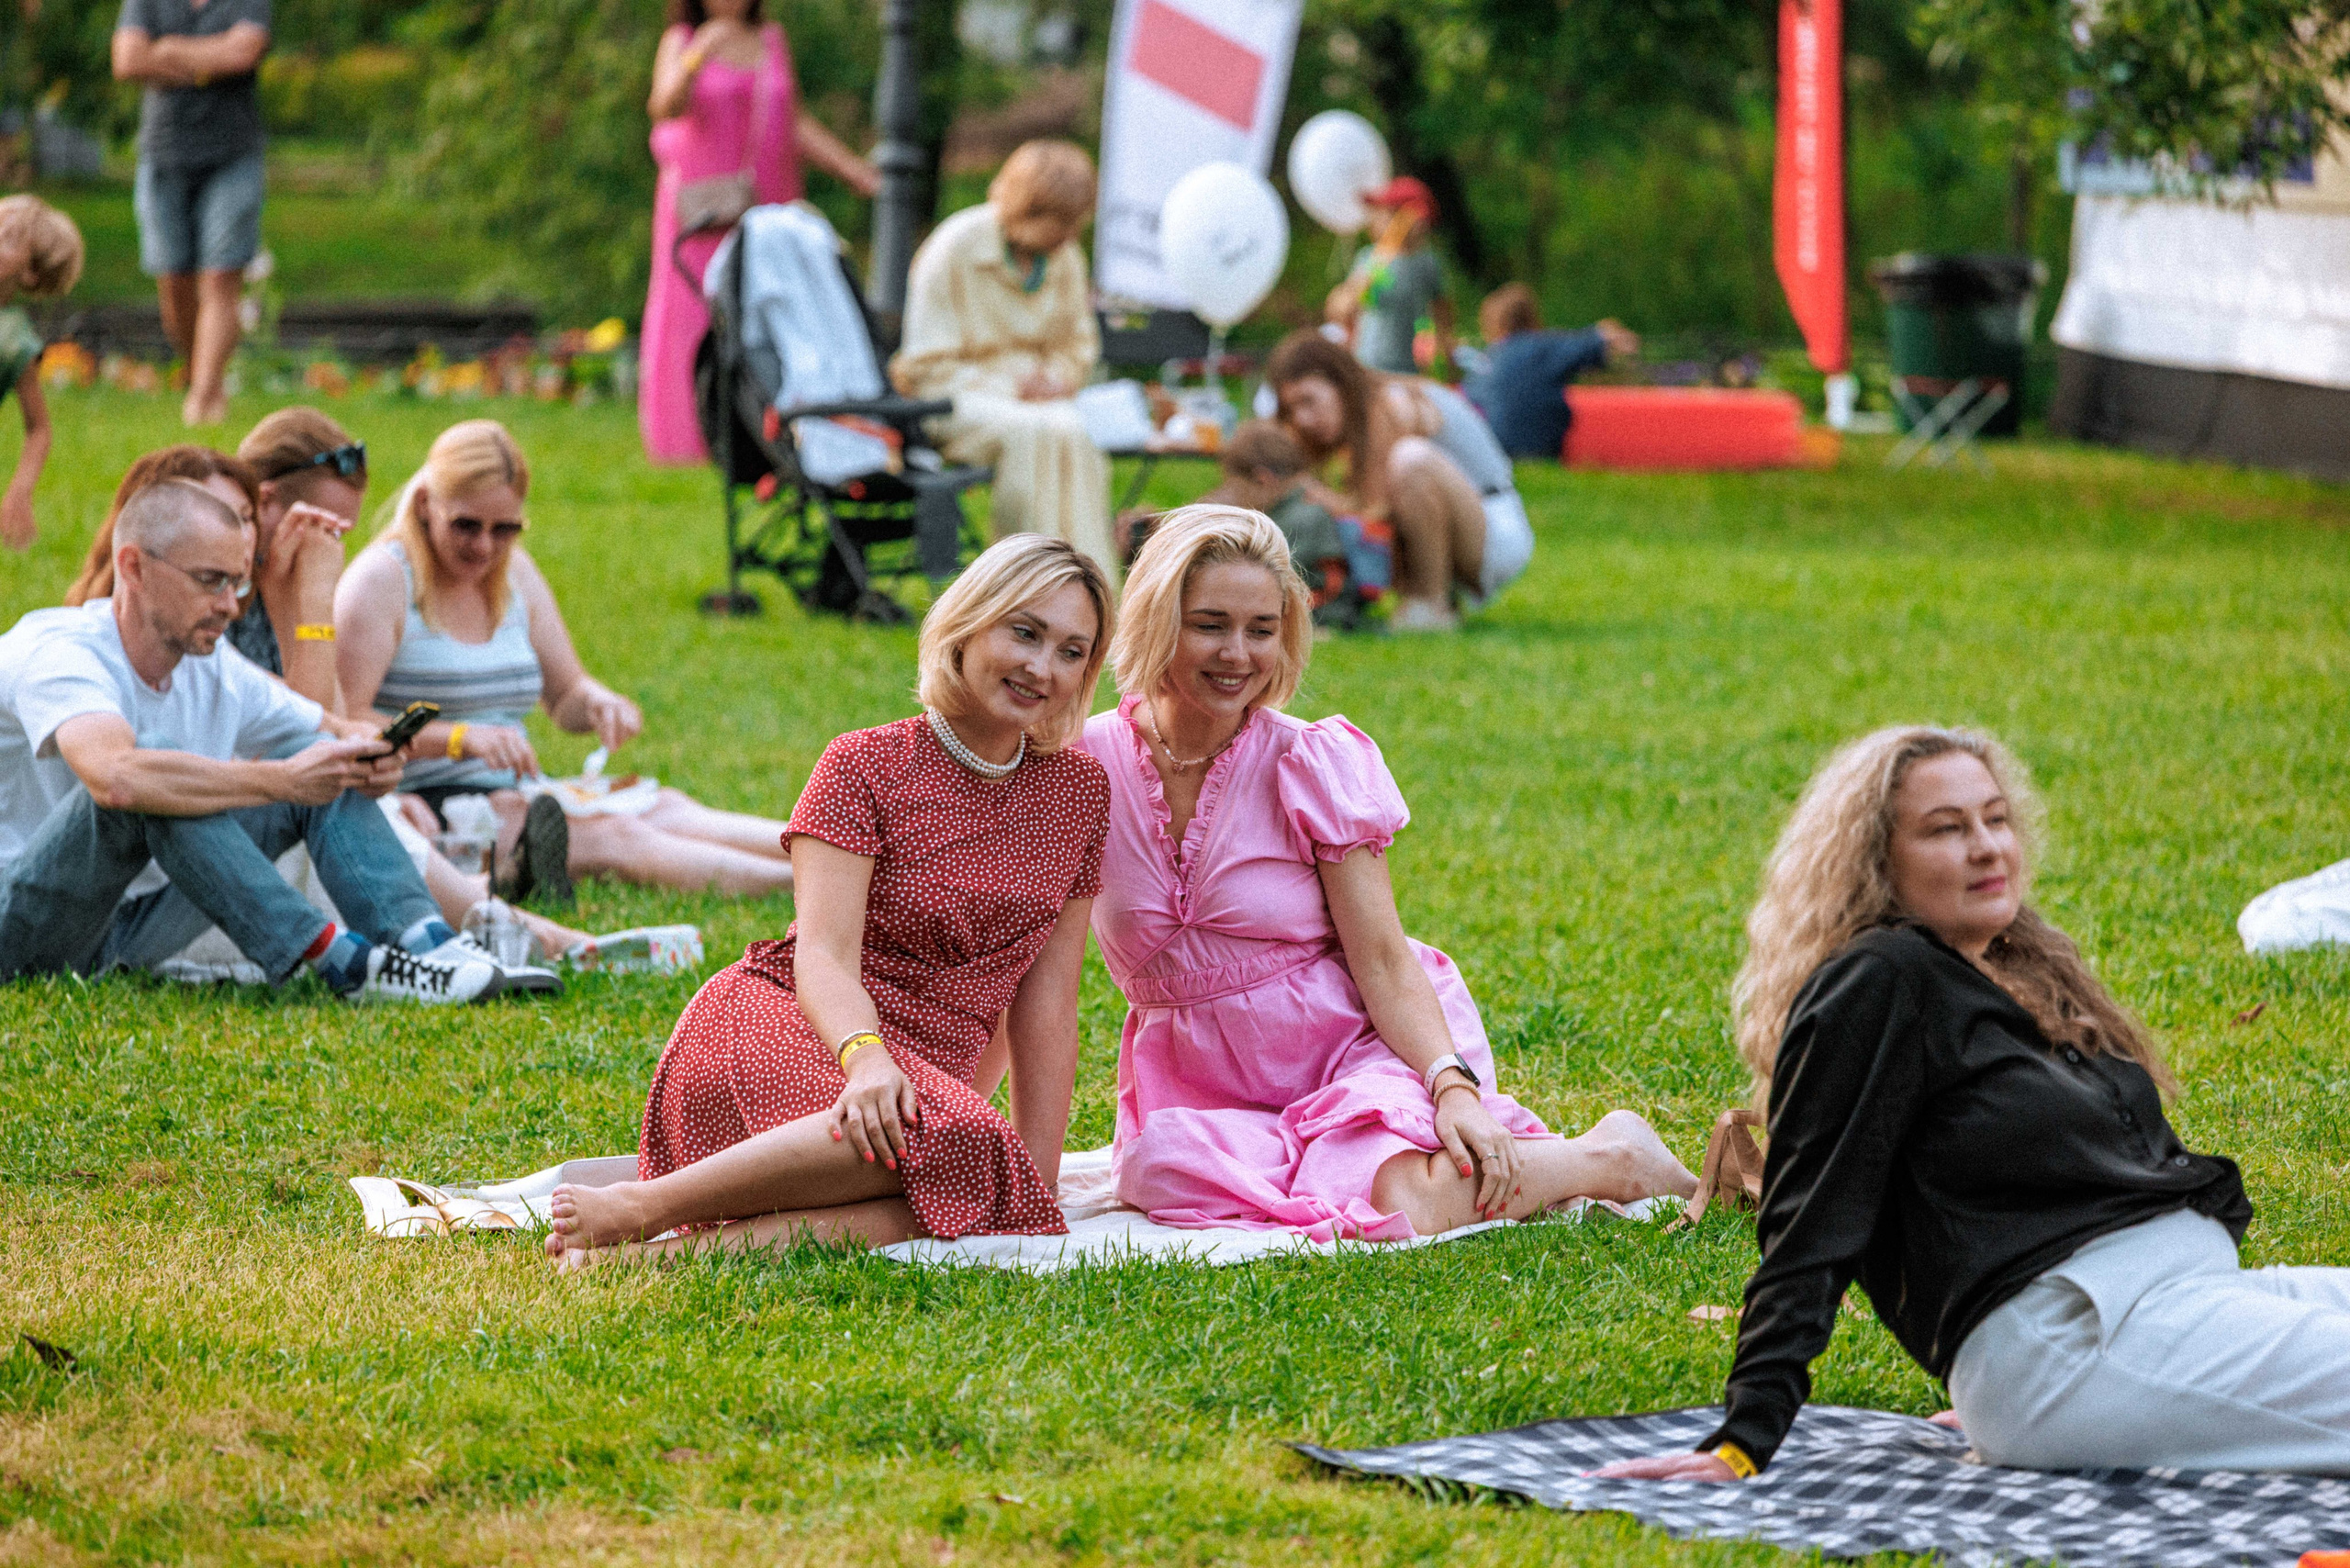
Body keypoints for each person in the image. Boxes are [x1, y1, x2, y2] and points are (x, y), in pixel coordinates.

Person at [1597, 726, 2350, 1484]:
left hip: (2172, 1308)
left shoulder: (2023, 960)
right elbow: (1813, 1221)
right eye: (1946, 829)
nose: (1988, 846)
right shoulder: (1878, 983)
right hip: (2084, 1340)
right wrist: (1743, 1439)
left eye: (1995, 819)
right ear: (1875, 861)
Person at [1077, 505, 1695, 1239]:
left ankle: (1612, 1156)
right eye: (1209, 624)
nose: (1237, 654)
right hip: (1201, 1082)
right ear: (1155, 621)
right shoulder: (1084, 766)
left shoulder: (1310, 760)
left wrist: (1450, 1086)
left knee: (1401, 1198)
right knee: (1161, 1174)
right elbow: (1028, 972)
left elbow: (1381, 955)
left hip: (1346, 1045)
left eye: (1262, 630)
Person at [539, 534, 1115, 1268]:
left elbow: (1048, 1002)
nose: (1043, 667)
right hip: (794, 1026)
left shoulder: (1079, 794)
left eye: (1072, 651)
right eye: (1024, 633)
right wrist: (868, 1059)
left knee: (977, 1179)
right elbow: (823, 954)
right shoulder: (863, 763)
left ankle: (650, 1257)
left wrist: (1034, 1181)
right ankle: (645, 1207)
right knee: (950, 1142)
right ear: (969, 625)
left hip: (927, 1092)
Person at [63, 432, 593, 975]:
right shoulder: (105, 639)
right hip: (91, 907)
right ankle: (498, 932)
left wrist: (367, 760)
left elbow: (327, 730)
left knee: (333, 781)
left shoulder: (218, 638)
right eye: (226, 522)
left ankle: (453, 938)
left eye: (339, 530)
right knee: (196, 778)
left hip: (187, 886)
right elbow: (127, 777)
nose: (324, 542)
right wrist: (308, 603)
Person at [0, 479, 506, 1003]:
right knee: (152, 765)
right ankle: (337, 965)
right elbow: (116, 779)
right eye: (209, 581)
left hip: (129, 928)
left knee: (312, 756)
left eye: (237, 585)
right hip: (15, 926)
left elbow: (328, 730)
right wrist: (284, 780)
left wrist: (369, 758)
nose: (229, 606)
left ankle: (425, 946)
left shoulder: (210, 664)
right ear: (133, 568)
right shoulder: (59, 653)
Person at [337, 419, 795, 899]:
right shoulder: (382, 580)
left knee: (665, 807)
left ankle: (840, 855)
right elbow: (344, 719)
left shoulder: (513, 573)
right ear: (427, 504)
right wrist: (458, 739)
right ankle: (813, 890)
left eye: (506, 529)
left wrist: (599, 703)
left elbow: (565, 696)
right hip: (429, 804)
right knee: (616, 835)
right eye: (466, 526)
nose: (484, 547)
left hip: (518, 792)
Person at [639, 0, 880, 465]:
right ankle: (689, 437)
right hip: (703, 202)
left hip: (765, 194)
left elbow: (792, 121)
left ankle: (771, 429)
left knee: (768, 308)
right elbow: (664, 106)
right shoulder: (681, 40)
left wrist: (852, 171)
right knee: (695, 311)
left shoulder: (771, 40)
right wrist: (698, 55)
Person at [891, 140, 1113, 578]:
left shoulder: (1065, 257)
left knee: (1076, 432)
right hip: (952, 398)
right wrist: (1012, 385)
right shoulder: (954, 247)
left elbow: (1078, 345)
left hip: (1042, 401)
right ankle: (1025, 580)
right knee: (1031, 432)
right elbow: (925, 365)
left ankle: (1095, 587)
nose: (1070, 234)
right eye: (1060, 221)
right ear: (1027, 208)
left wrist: (1056, 379)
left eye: (1076, 223)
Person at [1266, 331, 1532, 633]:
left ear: (1339, 383)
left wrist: (1327, 500)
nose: (1303, 419)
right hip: (1469, 521)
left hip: (1496, 529)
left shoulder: (1391, 401)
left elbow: (1375, 511)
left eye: (1309, 401)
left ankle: (1431, 604)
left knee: (1411, 460)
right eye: (1292, 410)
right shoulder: (1360, 416)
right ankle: (1420, 602)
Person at [111, 0, 271, 428]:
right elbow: (126, 60)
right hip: (163, 155)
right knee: (174, 281)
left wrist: (168, 50)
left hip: (233, 156)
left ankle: (204, 396)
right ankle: (201, 376)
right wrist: (206, 63)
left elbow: (243, 52)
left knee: (221, 275)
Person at [1196, 420, 1380, 630]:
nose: (1235, 499)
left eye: (1237, 489)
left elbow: (1269, 577)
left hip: (1324, 613)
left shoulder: (1298, 518)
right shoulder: (1293, 506)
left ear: (1262, 480)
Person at [1460, 283, 1640, 460]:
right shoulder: (1545, 346)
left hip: (1498, 447)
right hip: (1542, 445)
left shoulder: (1488, 359)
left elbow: (1470, 398)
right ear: (1532, 316)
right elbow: (1598, 338)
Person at [0, 196, 84, 552]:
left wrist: (20, 492)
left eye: (7, 239)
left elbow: (40, 428)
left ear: (29, 273)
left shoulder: (13, 339)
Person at [1324, 176, 1452, 377]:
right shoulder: (1369, 258)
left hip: (1412, 368)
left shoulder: (1426, 263)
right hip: (1370, 363)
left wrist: (1441, 349)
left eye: (1386, 213)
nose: (1375, 220)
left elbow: (1440, 310)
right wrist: (1375, 267)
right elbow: (1340, 308)